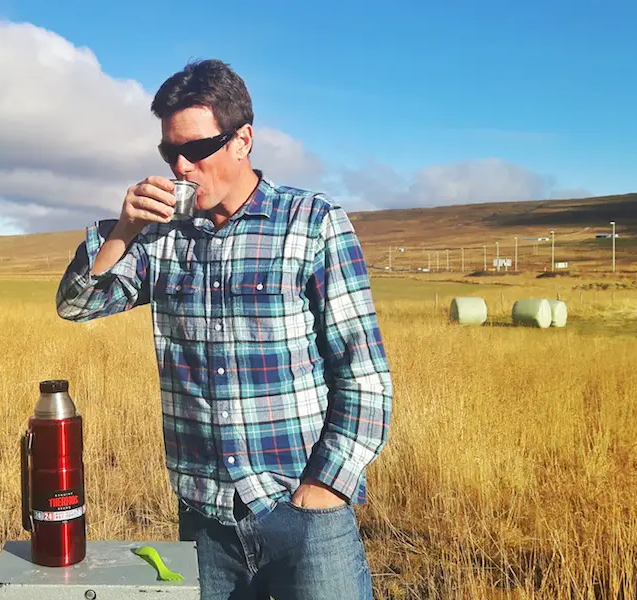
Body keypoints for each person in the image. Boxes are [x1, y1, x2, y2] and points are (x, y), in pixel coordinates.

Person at [56, 58, 393, 600]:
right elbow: (78, 305)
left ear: (244, 140)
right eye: (170, 153)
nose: (182, 167)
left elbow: (363, 371)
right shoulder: (159, 238)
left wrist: (326, 485)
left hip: (304, 513)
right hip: (205, 519)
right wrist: (125, 229)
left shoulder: (311, 223)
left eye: (197, 149)